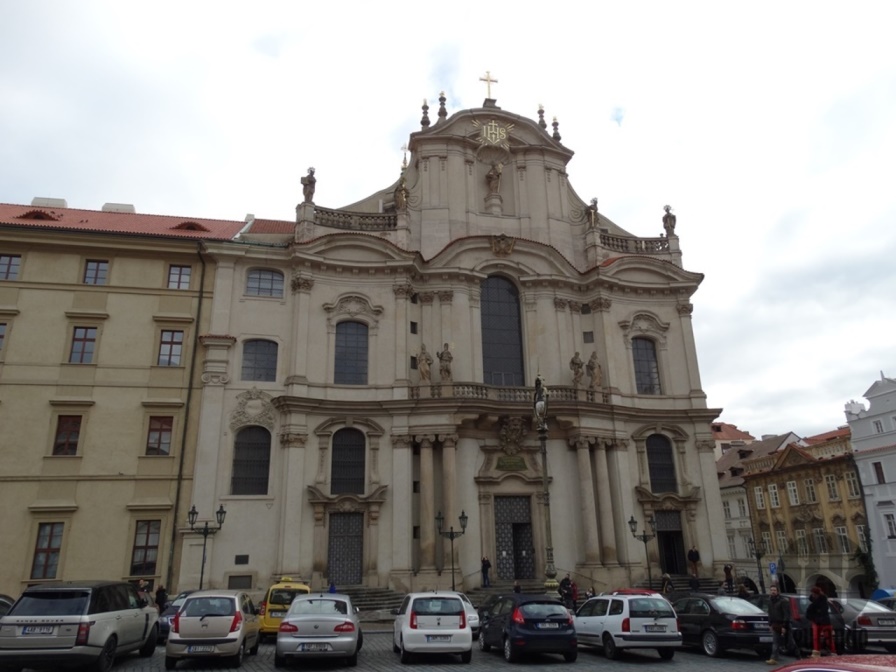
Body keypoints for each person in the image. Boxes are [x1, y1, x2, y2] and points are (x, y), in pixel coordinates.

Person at [806, 585, 835, 658]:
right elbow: (810, 613)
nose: (813, 595)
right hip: (818, 621)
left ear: (818, 594)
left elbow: (822, 611)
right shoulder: (816, 602)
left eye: (814, 594)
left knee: (827, 638)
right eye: (812, 594)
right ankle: (818, 652)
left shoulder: (822, 602)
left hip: (823, 622)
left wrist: (814, 616)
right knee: (816, 638)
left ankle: (831, 652)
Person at [767, 584, 790, 664]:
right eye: (771, 590)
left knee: (791, 643)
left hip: (783, 623)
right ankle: (773, 658)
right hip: (775, 624)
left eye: (774, 590)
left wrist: (784, 626)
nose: (773, 592)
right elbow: (770, 613)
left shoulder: (783, 601)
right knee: (775, 642)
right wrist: (770, 624)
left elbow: (786, 614)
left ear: (777, 591)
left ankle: (799, 658)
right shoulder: (770, 601)